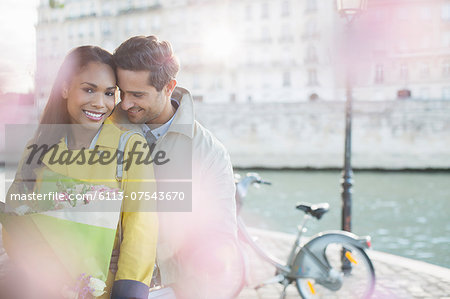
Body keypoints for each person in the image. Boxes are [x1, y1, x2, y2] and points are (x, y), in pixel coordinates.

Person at [0, 46, 157, 299]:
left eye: (109, 93)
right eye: (89, 89)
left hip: (104, 290)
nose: (100, 102)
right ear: (64, 88)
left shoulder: (129, 147)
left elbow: (142, 228)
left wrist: (128, 292)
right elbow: (15, 222)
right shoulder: (36, 148)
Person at [110, 35, 242, 299]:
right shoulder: (100, 132)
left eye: (137, 95)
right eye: (121, 92)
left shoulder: (209, 152)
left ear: (169, 87)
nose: (125, 104)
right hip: (107, 286)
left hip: (173, 291)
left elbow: (222, 235)